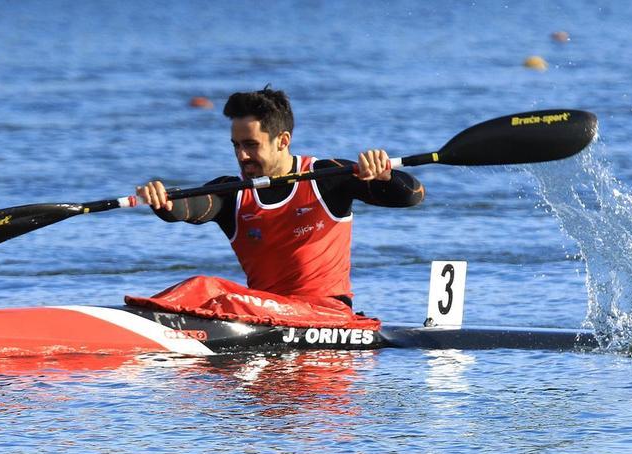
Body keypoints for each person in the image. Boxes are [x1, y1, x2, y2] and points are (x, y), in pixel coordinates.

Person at [128, 87, 424, 327]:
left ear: (283, 141)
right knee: (201, 286)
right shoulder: (233, 192)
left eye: (251, 145)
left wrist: (385, 176)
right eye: (235, 145)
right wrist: (163, 200)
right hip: (261, 314)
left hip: (326, 315)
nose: (242, 156)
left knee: (223, 296)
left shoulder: (327, 177)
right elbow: (191, 206)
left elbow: (412, 195)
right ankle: (137, 320)